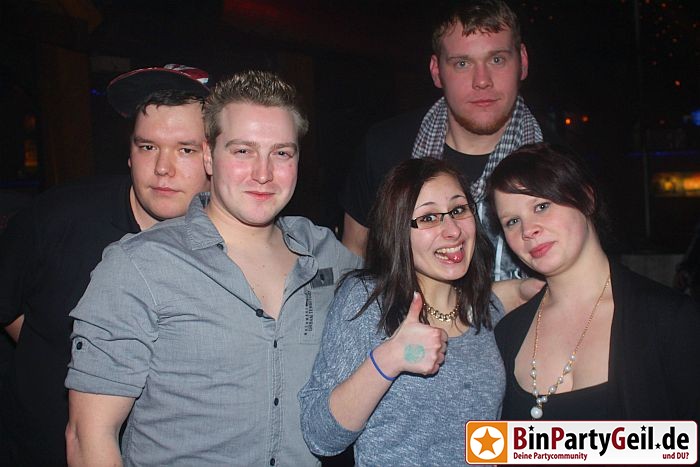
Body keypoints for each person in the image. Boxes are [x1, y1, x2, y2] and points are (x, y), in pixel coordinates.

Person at [65, 70, 362, 466]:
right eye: (242, 151)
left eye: (281, 153)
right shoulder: (140, 266)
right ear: (209, 155)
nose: (263, 174)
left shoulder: (327, 255)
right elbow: (89, 435)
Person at [0, 63, 211, 466]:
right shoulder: (59, 217)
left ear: (215, 158)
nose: (162, 168)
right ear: (129, 153)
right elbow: (8, 306)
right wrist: (58, 353)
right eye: (147, 147)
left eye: (185, 149)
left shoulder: (230, 248)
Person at [300, 157, 532, 466]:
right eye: (429, 217)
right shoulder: (368, 300)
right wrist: (389, 359)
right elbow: (320, 435)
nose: (452, 230)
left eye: (458, 210)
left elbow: (488, 441)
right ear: (398, 230)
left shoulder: (488, 309)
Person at [488, 142, 700, 421]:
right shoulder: (508, 334)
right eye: (512, 221)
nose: (528, 230)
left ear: (586, 198)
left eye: (541, 206)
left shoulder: (670, 319)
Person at [341, 0, 542, 281]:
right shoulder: (384, 148)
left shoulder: (558, 165)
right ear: (437, 71)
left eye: (497, 59)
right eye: (462, 63)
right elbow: (353, 258)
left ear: (522, 61)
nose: (482, 80)